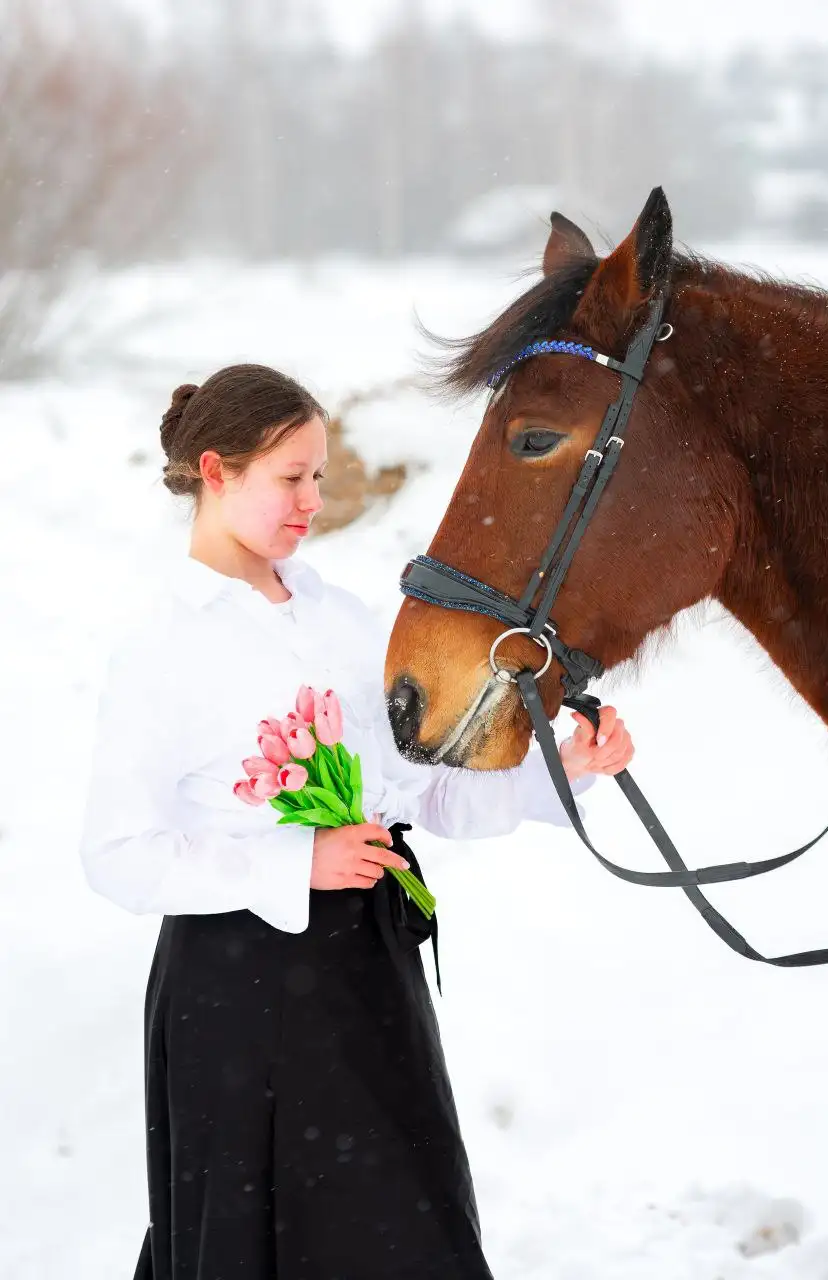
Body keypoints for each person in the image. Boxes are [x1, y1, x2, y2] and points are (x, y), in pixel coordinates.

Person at [79, 363, 635, 1280]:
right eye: (290, 478)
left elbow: (422, 794)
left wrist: (560, 768)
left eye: (320, 477)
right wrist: (293, 864)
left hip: (369, 978)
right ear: (216, 473)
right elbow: (118, 856)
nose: (312, 499)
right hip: (238, 995)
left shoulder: (342, 621)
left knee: (408, 1232)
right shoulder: (163, 647)